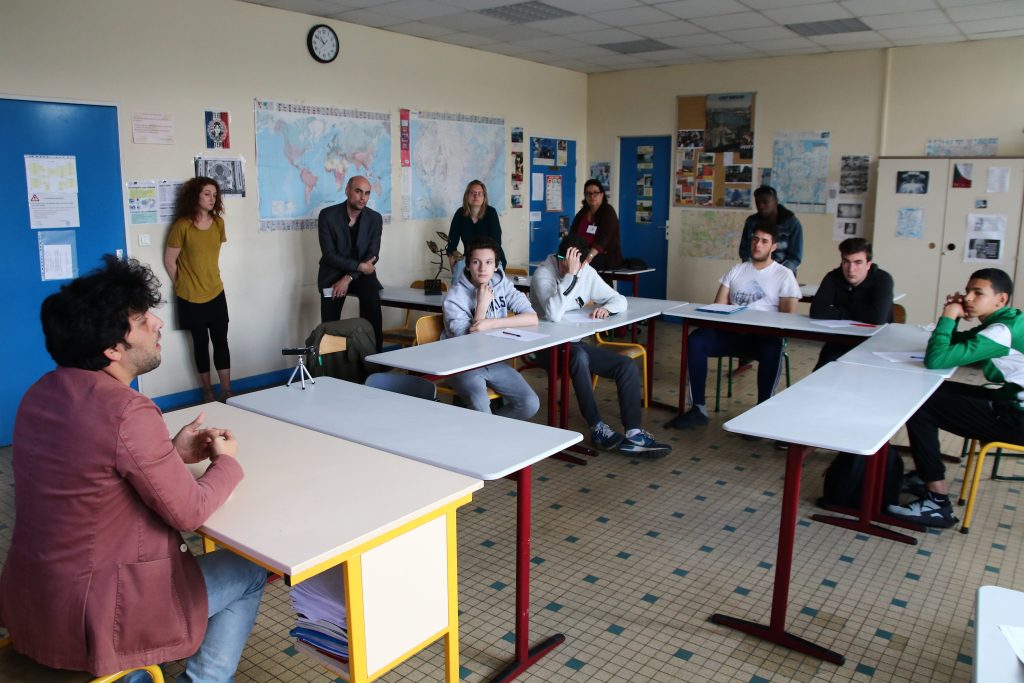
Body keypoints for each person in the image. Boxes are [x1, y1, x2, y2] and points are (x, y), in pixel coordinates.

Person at [0, 255, 266, 681]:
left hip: (34, 599)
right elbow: (189, 511)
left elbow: (91, 472)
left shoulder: (41, 393)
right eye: (142, 319)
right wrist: (226, 463)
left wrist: (169, 452)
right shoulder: (127, 409)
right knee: (249, 569)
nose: (158, 323)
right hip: (101, 612)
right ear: (112, 350)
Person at [888, 269, 1024, 528]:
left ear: (1001, 299)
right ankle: (925, 473)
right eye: (968, 290)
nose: (968, 298)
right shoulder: (1008, 321)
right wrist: (954, 321)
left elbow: (937, 359)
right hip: (1008, 404)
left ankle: (937, 501)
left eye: (978, 293)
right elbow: (956, 344)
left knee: (919, 404)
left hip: (1016, 419)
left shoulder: (1001, 331)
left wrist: (949, 315)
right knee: (929, 393)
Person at [530, 234, 671, 458]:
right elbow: (554, 315)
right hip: (544, 348)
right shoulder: (543, 275)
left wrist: (608, 309)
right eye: (563, 260)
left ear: (585, 262)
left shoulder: (587, 272)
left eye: (576, 263)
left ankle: (633, 434)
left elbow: (619, 300)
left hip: (573, 343)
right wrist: (569, 276)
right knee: (578, 357)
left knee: (625, 365)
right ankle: (597, 427)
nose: (565, 265)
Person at [671, 222, 802, 430]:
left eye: (764, 241)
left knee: (773, 349)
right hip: (731, 334)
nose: (758, 245)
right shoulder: (737, 270)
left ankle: (761, 415)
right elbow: (718, 306)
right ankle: (698, 409)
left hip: (762, 338)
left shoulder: (783, 275)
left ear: (773, 247)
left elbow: (788, 319)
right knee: (696, 340)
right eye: (755, 239)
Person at [442, 237, 540, 419]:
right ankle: (486, 434)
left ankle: (487, 430)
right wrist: (481, 307)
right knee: (482, 411)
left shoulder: (502, 284)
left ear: (496, 266)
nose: (482, 268)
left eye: (488, 262)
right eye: (476, 262)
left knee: (530, 403)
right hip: (461, 364)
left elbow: (532, 317)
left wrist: (491, 323)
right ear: (468, 265)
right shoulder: (454, 297)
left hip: (493, 360)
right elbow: (470, 343)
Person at [164, 176, 233, 402]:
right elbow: (169, 261)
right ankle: (207, 392)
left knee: (221, 342)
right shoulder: (181, 226)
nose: (212, 199)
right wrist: (182, 284)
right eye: (207, 194)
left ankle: (227, 390)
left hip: (215, 292)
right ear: (195, 196)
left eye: (215, 195)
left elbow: (209, 256)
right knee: (200, 344)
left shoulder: (219, 223)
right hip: (189, 297)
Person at [317, 175, 383, 352]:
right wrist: (358, 266)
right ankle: (332, 365)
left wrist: (349, 277)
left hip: (361, 275)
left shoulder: (375, 218)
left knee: (372, 299)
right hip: (332, 272)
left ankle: (374, 358)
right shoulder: (327, 216)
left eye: (367, 193)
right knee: (330, 323)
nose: (363, 197)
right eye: (358, 191)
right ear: (347, 191)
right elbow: (329, 255)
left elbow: (372, 255)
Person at [809, 237, 894, 367]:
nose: (851, 269)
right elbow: (817, 311)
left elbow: (877, 317)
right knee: (824, 367)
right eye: (846, 262)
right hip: (842, 338)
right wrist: (860, 311)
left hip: (876, 341)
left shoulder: (882, 279)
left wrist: (844, 307)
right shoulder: (833, 277)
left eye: (858, 262)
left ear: (868, 264)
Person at [446, 180, 506, 276]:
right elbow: (451, 244)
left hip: (491, 259)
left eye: (479, 193)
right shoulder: (460, 214)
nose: (476, 196)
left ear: (484, 197)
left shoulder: (491, 213)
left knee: (489, 287)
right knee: (458, 280)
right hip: (470, 260)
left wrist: (483, 261)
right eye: (473, 193)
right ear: (467, 195)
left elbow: (496, 243)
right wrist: (453, 260)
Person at [739, 185, 803, 273]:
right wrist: (752, 271)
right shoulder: (751, 222)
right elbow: (744, 251)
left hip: (782, 275)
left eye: (765, 202)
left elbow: (795, 257)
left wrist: (776, 274)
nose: (761, 205)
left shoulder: (792, 223)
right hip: (755, 273)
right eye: (757, 202)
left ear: (776, 202)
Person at [570, 179, 623, 271]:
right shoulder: (582, 212)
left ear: (602, 194)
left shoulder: (608, 211)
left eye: (595, 193)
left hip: (604, 256)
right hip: (581, 253)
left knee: (580, 267)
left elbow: (604, 238)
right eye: (588, 193)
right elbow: (572, 234)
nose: (592, 196)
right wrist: (566, 253)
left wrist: (589, 256)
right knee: (558, 259)